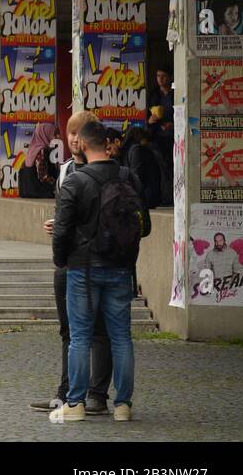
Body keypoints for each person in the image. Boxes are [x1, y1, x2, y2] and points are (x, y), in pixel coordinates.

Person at [50, 121, 145, 423]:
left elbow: (61, 230)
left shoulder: (75, 182)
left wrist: (62, 259)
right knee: (121, 338)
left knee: (79, 337)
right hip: (120, 270)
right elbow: (146, 225)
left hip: (82, 270)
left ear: (85, 146)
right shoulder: (128, 177)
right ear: (106, 144)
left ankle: (75, 404)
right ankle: (123, 405)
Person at [31, 111, 112, 415]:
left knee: (99, 331)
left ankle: (97, 394)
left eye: (79, 133)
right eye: (70, 133)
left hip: (99, 261)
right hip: (67, 262)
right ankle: (66, 392)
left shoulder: (105, 170)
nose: (74, 139)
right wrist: (57, 226)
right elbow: (64, 211)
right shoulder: (64, 171)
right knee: (68, 331)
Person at [122, 126, 164, 209]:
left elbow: (136, 175)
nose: (148, 143)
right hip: (145, 196)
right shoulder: (137, 149)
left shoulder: (131, 150)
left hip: (143, 196)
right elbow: (137, 175)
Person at [17, 122, 58, 199]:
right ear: (45, 135)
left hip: (26, 192)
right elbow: (43, 178)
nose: (55, 137)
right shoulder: (42, 152)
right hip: (38, 193)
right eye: (53, 134)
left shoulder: (32, 150)